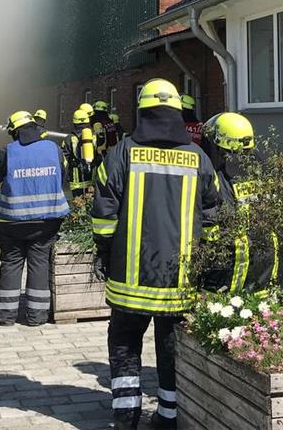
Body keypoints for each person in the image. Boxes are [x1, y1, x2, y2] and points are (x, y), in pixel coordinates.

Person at [92, 79, 221, 429]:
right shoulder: (199, 159)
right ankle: (168, 417)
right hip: (178, 282)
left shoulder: (121, 154)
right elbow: (214, 216)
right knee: (171, 349)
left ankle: (126, 416)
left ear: (142, 111)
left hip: (128, 279)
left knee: (124, 343)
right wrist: (203, 259)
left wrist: (105, 255)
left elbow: (103, 218)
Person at [0, 110, 69, 326]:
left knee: (11, 263)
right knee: (39, 263)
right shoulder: (54, 149)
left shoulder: (8, 151)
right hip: (47, 221)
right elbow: (64, 176)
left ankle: (5, 316)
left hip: (12, 222)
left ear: (15, 131)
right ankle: (37, 316)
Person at [202, 112, 278, 296]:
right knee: (260, 309)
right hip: (266, 254)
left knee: (224, 313)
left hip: (232, 261)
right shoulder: (263, 169)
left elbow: (215, 217)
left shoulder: (222, 177)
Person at [62, 108, 96, 194]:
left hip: (76, 181)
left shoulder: (68, 138)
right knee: (90, 204)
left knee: (78, 205)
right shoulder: (94, 136)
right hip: (92, 179)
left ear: (74, 122)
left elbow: (64, 160)